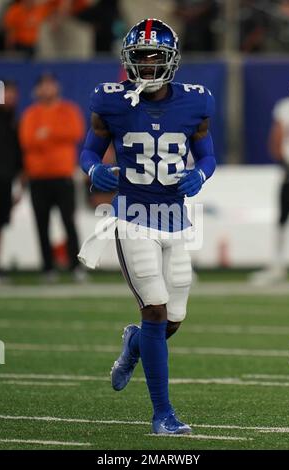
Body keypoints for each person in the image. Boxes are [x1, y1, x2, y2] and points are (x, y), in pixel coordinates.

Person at [79, 19, 216, 434]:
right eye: (142, 57)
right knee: (154, 309)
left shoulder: (196, 102)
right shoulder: (111, 101)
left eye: (157, 56)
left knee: (173, 319)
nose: (150, 64)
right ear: (128, 60)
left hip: (176, 221)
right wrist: (92, 170)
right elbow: (89, 149)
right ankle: (163, 415)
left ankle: (133, 346)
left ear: (172, 60)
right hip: (133, 217)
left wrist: (202, 175)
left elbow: (208, 154)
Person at [19, 72, 85, 280]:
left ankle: (76, 266)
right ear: (37, 89)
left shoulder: (68, 110)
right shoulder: (31, 114)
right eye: (43, 85)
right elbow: (27, 140)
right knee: (42, 224)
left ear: (56, 87)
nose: (47, 89)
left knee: (68, 222)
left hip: (62, 175)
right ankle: (48, 268)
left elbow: (75, 132)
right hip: (38, 178)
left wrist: (47, 134)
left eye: (50, 84)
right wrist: (52, 136)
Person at [251, 91, 289, 284]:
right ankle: (278, 265)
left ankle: (278, 266)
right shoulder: (285, 107)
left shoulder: (286, 107)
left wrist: (282, 161)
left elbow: (277, 137)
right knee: (282, 218)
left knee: (283, 219)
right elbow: (277, 138)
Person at [0, 80, 22, 280]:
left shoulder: (13, 121)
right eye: (7, 93)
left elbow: (17, 157)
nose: (10, 97)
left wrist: (19, 184)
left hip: (5, 180)